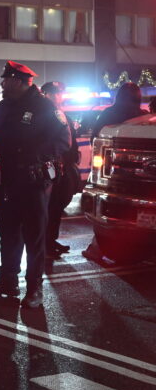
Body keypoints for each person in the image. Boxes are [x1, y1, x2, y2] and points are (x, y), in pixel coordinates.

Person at [0, 61, 71, 309]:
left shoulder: (45, 107)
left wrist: (35, 158)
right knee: (8, 233)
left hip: (34, 181)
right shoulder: (2, 107)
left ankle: (34, 289)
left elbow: (63, 140)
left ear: (18, 82)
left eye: (5, 80)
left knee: (34, 236)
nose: (1, 83)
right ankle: (7, 282)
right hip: (8, 180)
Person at [82, 82, 148, 260]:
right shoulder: (143, 117)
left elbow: (95, 140)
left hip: (111, 176)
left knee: (106, 218)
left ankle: (96, 250)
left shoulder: (108, 114)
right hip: (139, 180)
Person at [41, 81, 80, 260]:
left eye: (60, 93)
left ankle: (51, 240)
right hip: (52, 167)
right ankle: (46, 243)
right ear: (46, 94)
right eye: (56, 93)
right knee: (50, 206)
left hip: (65, 167)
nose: (59, 97)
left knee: (57, 206)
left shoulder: (60, 113)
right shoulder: (44, 114)